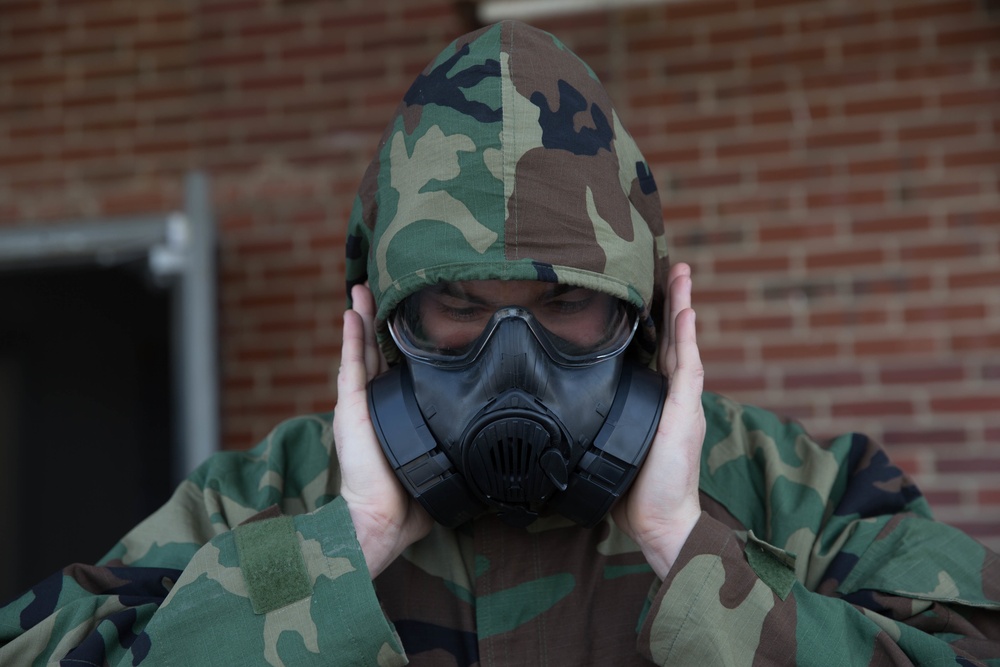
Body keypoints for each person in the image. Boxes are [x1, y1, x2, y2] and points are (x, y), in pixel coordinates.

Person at [2, 19, 998, 666]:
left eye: (568, 307)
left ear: (651, 317)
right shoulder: (255, 503)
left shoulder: (804, 494)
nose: (509, 362)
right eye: (458, 307)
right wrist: (341, 545)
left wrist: (686, 550)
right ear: (377, 322)